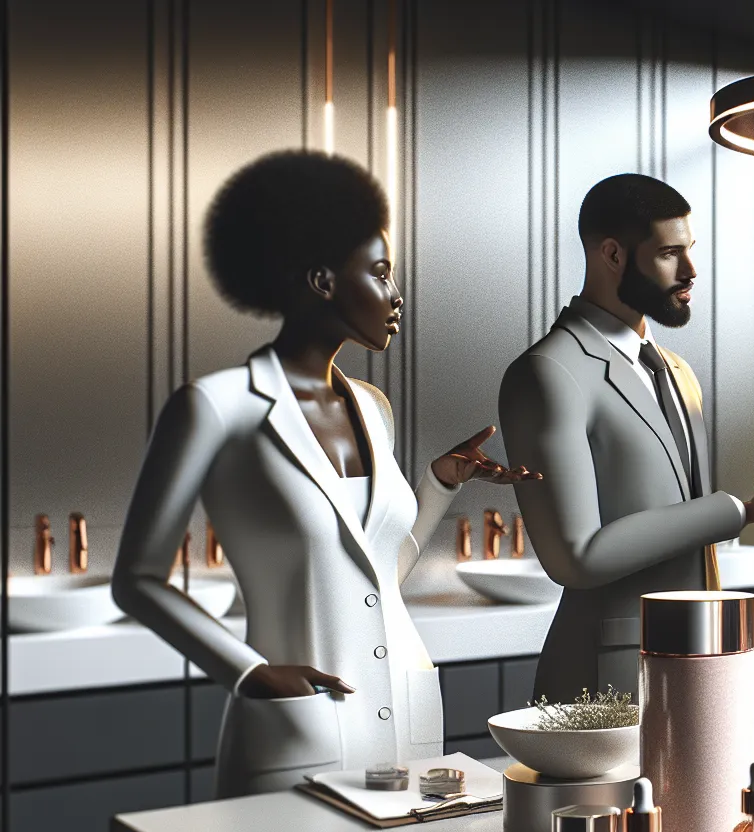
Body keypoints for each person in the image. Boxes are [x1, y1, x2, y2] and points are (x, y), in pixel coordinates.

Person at [113, 151, 535, 798]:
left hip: (407, 719)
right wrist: (249, 674)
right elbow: (137, 581)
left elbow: (376, 574)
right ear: (322, 281)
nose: (396, 296)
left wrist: (440, 484)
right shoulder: (216, 407)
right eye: (381, 274)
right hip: (296, 729)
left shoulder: (372, 407)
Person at [500, 173, 754, 702]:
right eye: (670, 253)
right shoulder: (548, 372)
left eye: (690, 250)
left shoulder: (676, 372)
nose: (691, 270)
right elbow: (575, 558)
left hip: (701, 666)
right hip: (606, 685)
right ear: (612, 255)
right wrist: (740, 510)